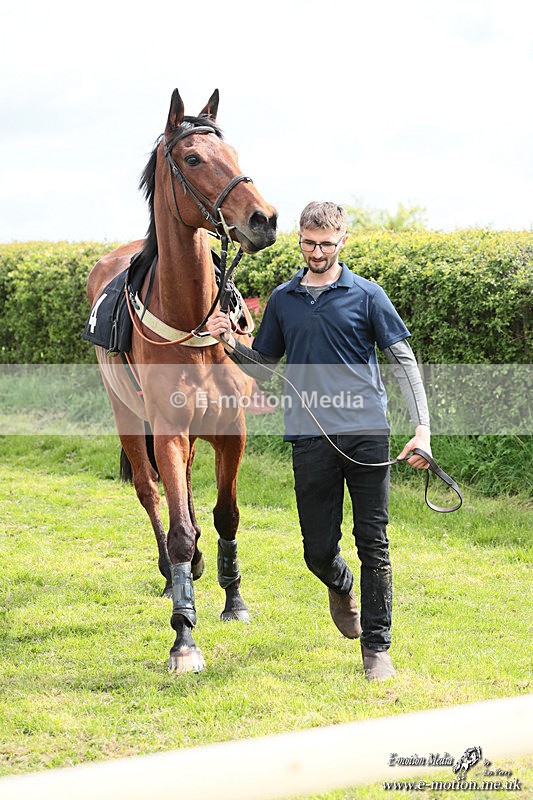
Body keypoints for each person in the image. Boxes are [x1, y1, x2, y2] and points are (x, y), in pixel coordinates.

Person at [206, 201, 431, 681]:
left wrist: (423, 429)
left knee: (374, 542)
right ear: (300, 240)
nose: (317, 252)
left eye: (327, 244)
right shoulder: (284, 299)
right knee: (316, 549)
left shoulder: (367, 295)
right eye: (309, 243)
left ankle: (377, 649)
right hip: (309, 437)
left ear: (342, 242)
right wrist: (227, 342)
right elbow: (262, 366)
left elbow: (403, 360)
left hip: (368, 432)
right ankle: (339, 583)